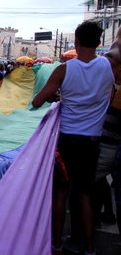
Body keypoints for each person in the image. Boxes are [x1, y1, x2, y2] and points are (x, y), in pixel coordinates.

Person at [32, 21, 119, 255]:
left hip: (66, 142)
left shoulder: (64, 69)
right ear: (99, 43)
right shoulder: (108, 67)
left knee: (60, 193)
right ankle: (90, 249)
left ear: (76, 42)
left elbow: (37, 101)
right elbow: (109, 94)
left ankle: (57, 245)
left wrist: (59, 97)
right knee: (85, 195)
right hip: (92, 143)